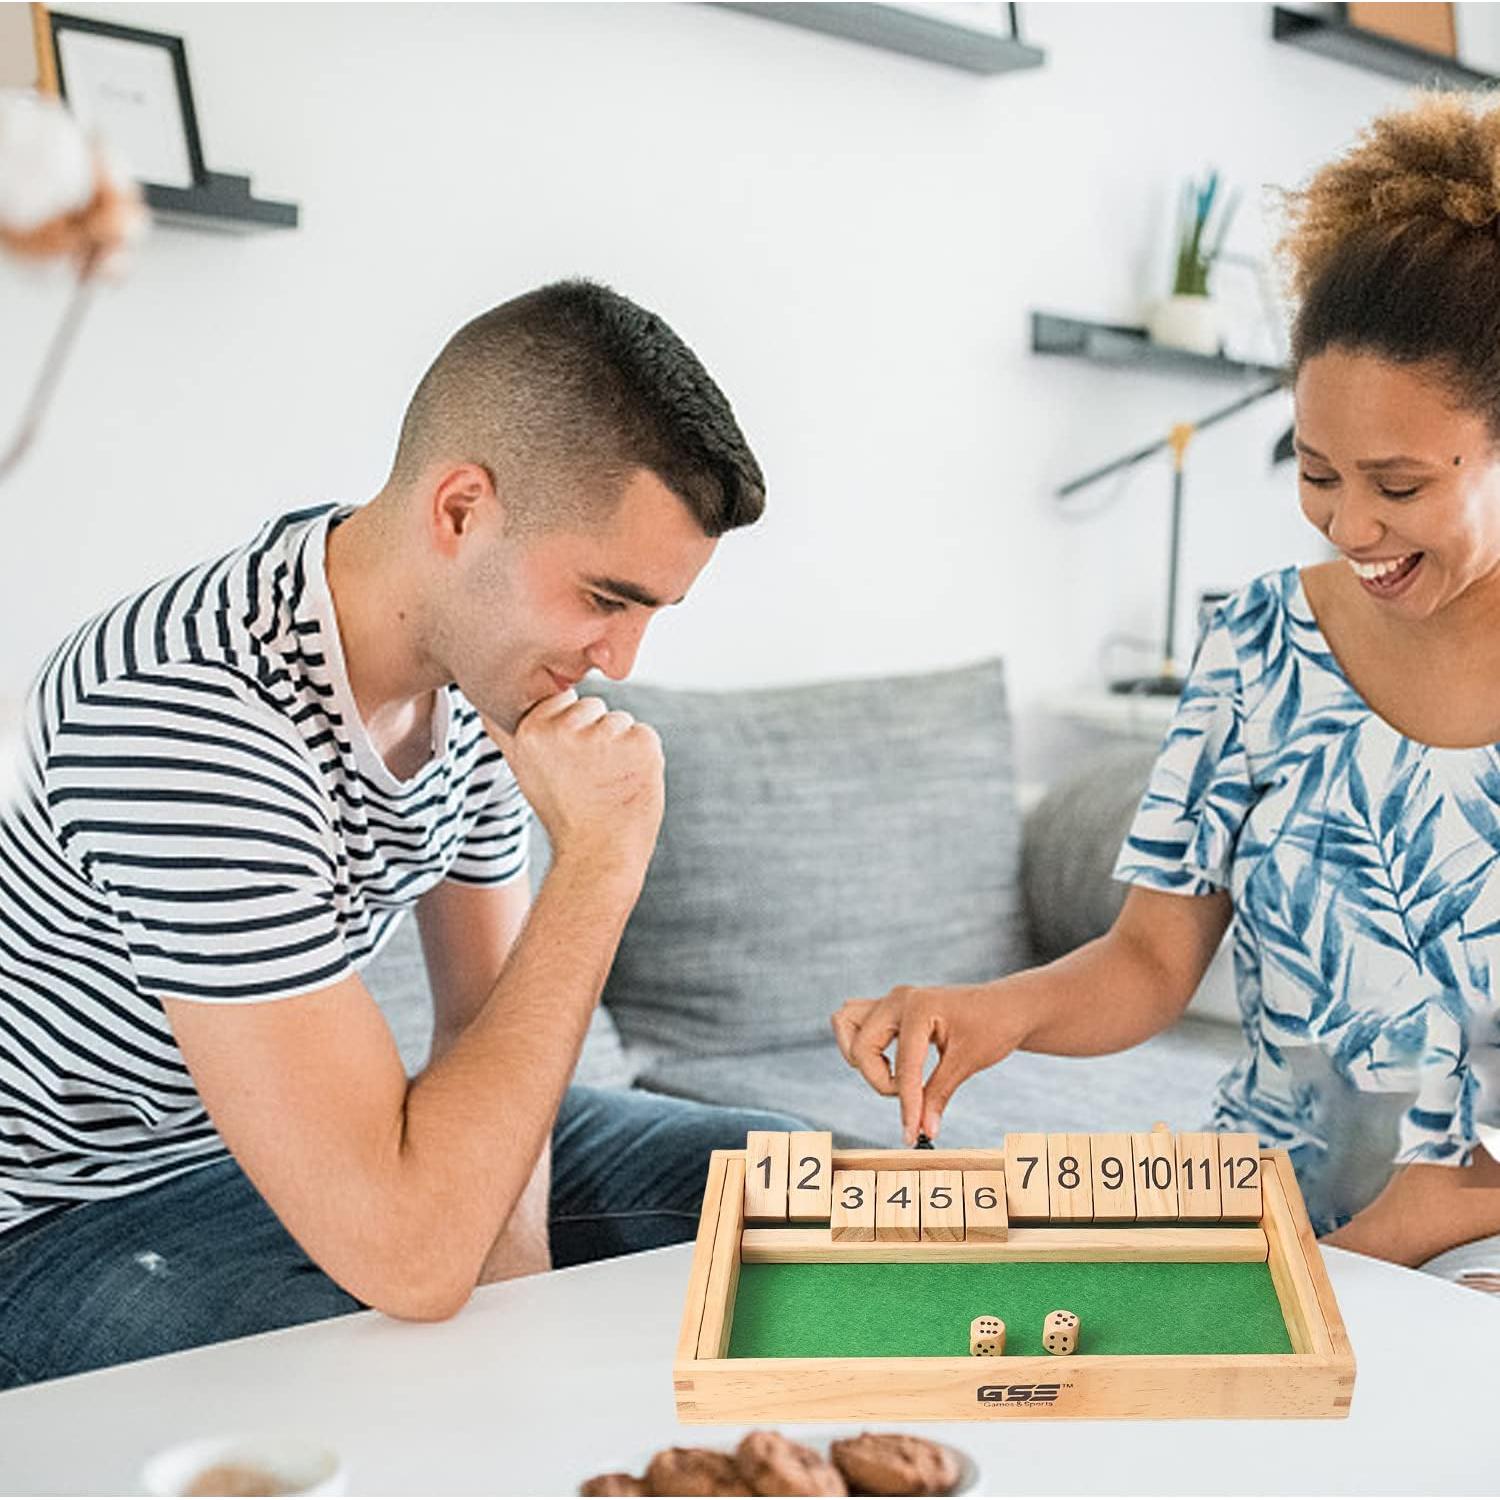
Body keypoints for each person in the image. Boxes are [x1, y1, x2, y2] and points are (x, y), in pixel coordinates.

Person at [0, 279, 801, 1389]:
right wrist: (602, 860)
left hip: (305, 1159)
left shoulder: (473, 673)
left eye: (651, 613)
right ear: (460, 509)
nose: (622, 664)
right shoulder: (177, 705)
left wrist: (520, 1297)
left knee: (804, 1188)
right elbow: (413, 1260)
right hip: (64, 1217)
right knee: (397, 1362)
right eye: (605, 599)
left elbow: (483, 1030)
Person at [832, 92, 1500, 1275]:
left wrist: (1428, 1217)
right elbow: (1150, 961)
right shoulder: (1258, 646)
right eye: (1316, 470)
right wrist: (995, 1013)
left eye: (1398, 487)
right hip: (1271, 1216)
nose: (1351, 524)